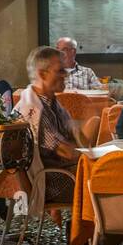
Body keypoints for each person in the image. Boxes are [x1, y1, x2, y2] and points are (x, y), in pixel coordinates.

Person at [14, 46, 98, 215]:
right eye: (60, 71)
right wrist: (98, 155)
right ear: (43, 74)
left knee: (101, 177)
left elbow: (76, 137)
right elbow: (67, 152)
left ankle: (84, 236)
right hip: (49, 182)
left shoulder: (50, 102)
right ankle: (83, 239)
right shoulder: (34, 109)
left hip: (61, 172)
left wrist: (87, 132)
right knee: (100, 183)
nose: (65, 75)